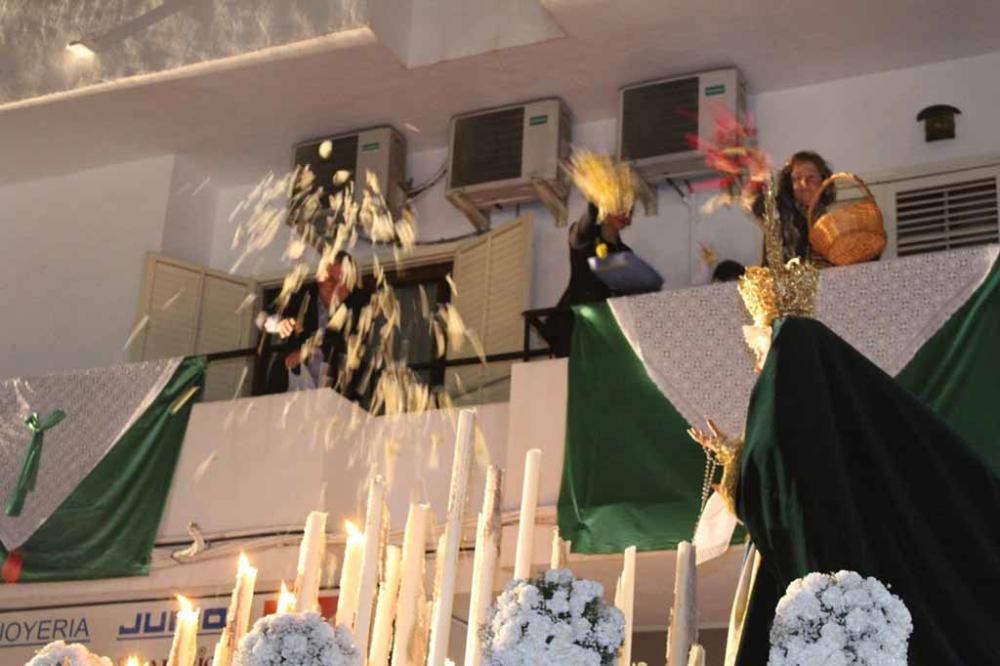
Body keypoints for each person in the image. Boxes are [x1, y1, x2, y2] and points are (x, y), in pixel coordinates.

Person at [256, 252, 368, 399]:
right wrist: (278, 324)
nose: (332, 286)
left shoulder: (360, 306)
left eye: (340, 282)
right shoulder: (301, 295)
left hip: (337, 396)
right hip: (290, 391)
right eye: (329, 279)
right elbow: (260, 318)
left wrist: (306, 350)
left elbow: (348, 343)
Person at [543, 202, 632, 356]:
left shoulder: (625, 252)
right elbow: (580, 231)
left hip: (605, 328)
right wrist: (593, 209)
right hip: (573, 326)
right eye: (621, 210)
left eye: (629, 212)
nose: (625, 215)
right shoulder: (586, 240)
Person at [753, 150, 835, 263]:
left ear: (824, 181)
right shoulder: (781, 208)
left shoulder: (829, 220)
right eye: (797, 178)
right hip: (781, 279)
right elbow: (759, 205)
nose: (803, 184)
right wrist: (757, 181)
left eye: (811, 177)